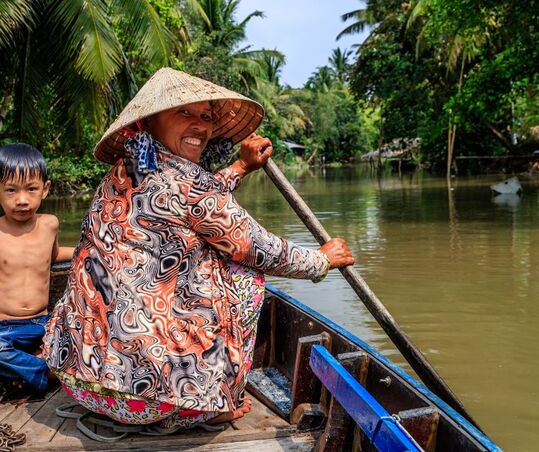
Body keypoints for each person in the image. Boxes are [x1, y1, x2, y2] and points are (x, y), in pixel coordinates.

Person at [43, 68, 354, 431]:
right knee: (242, 274)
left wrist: (240, 167)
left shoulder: (127, 168)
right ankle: (214, 401)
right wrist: (321, 259)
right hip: (148, 400)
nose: (200, 126)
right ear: (149, 122)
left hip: (81, 381)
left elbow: (193, 198)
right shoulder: (190, 184)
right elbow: (259, 248)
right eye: (184, 113)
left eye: (205, 116)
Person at [0, 143, 74, 392]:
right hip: (0, 329)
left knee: (83, 329)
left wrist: (87, 251)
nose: (22, 200)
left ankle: (29, 369)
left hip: (42, 324)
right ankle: (48, 371)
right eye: (11, 190)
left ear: (45, 189)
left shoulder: (49, 224)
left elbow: (52, 255)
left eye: (31, 189)